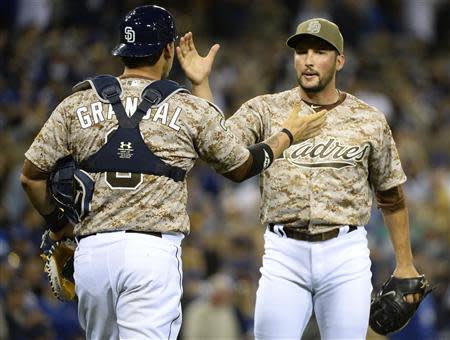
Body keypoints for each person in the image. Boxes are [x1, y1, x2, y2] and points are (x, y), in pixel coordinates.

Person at [19, 5, 327, 340]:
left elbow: (31, 177)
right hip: (151, 256)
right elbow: (238, 164)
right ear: (168, 50)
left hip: (92, 255)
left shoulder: (75, 104)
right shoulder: (187, 108)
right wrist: (288, 134)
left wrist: (61, 228)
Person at [177, 18, 425, 339]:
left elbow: (391, 195)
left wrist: (405, 263)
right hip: (284, 253)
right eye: (301, 51)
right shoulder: (266, 109)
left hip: (345, 253)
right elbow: (220, 148)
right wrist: (201, 86)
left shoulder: (369, 119)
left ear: (339, 61)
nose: (308, 60)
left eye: (320, 51)